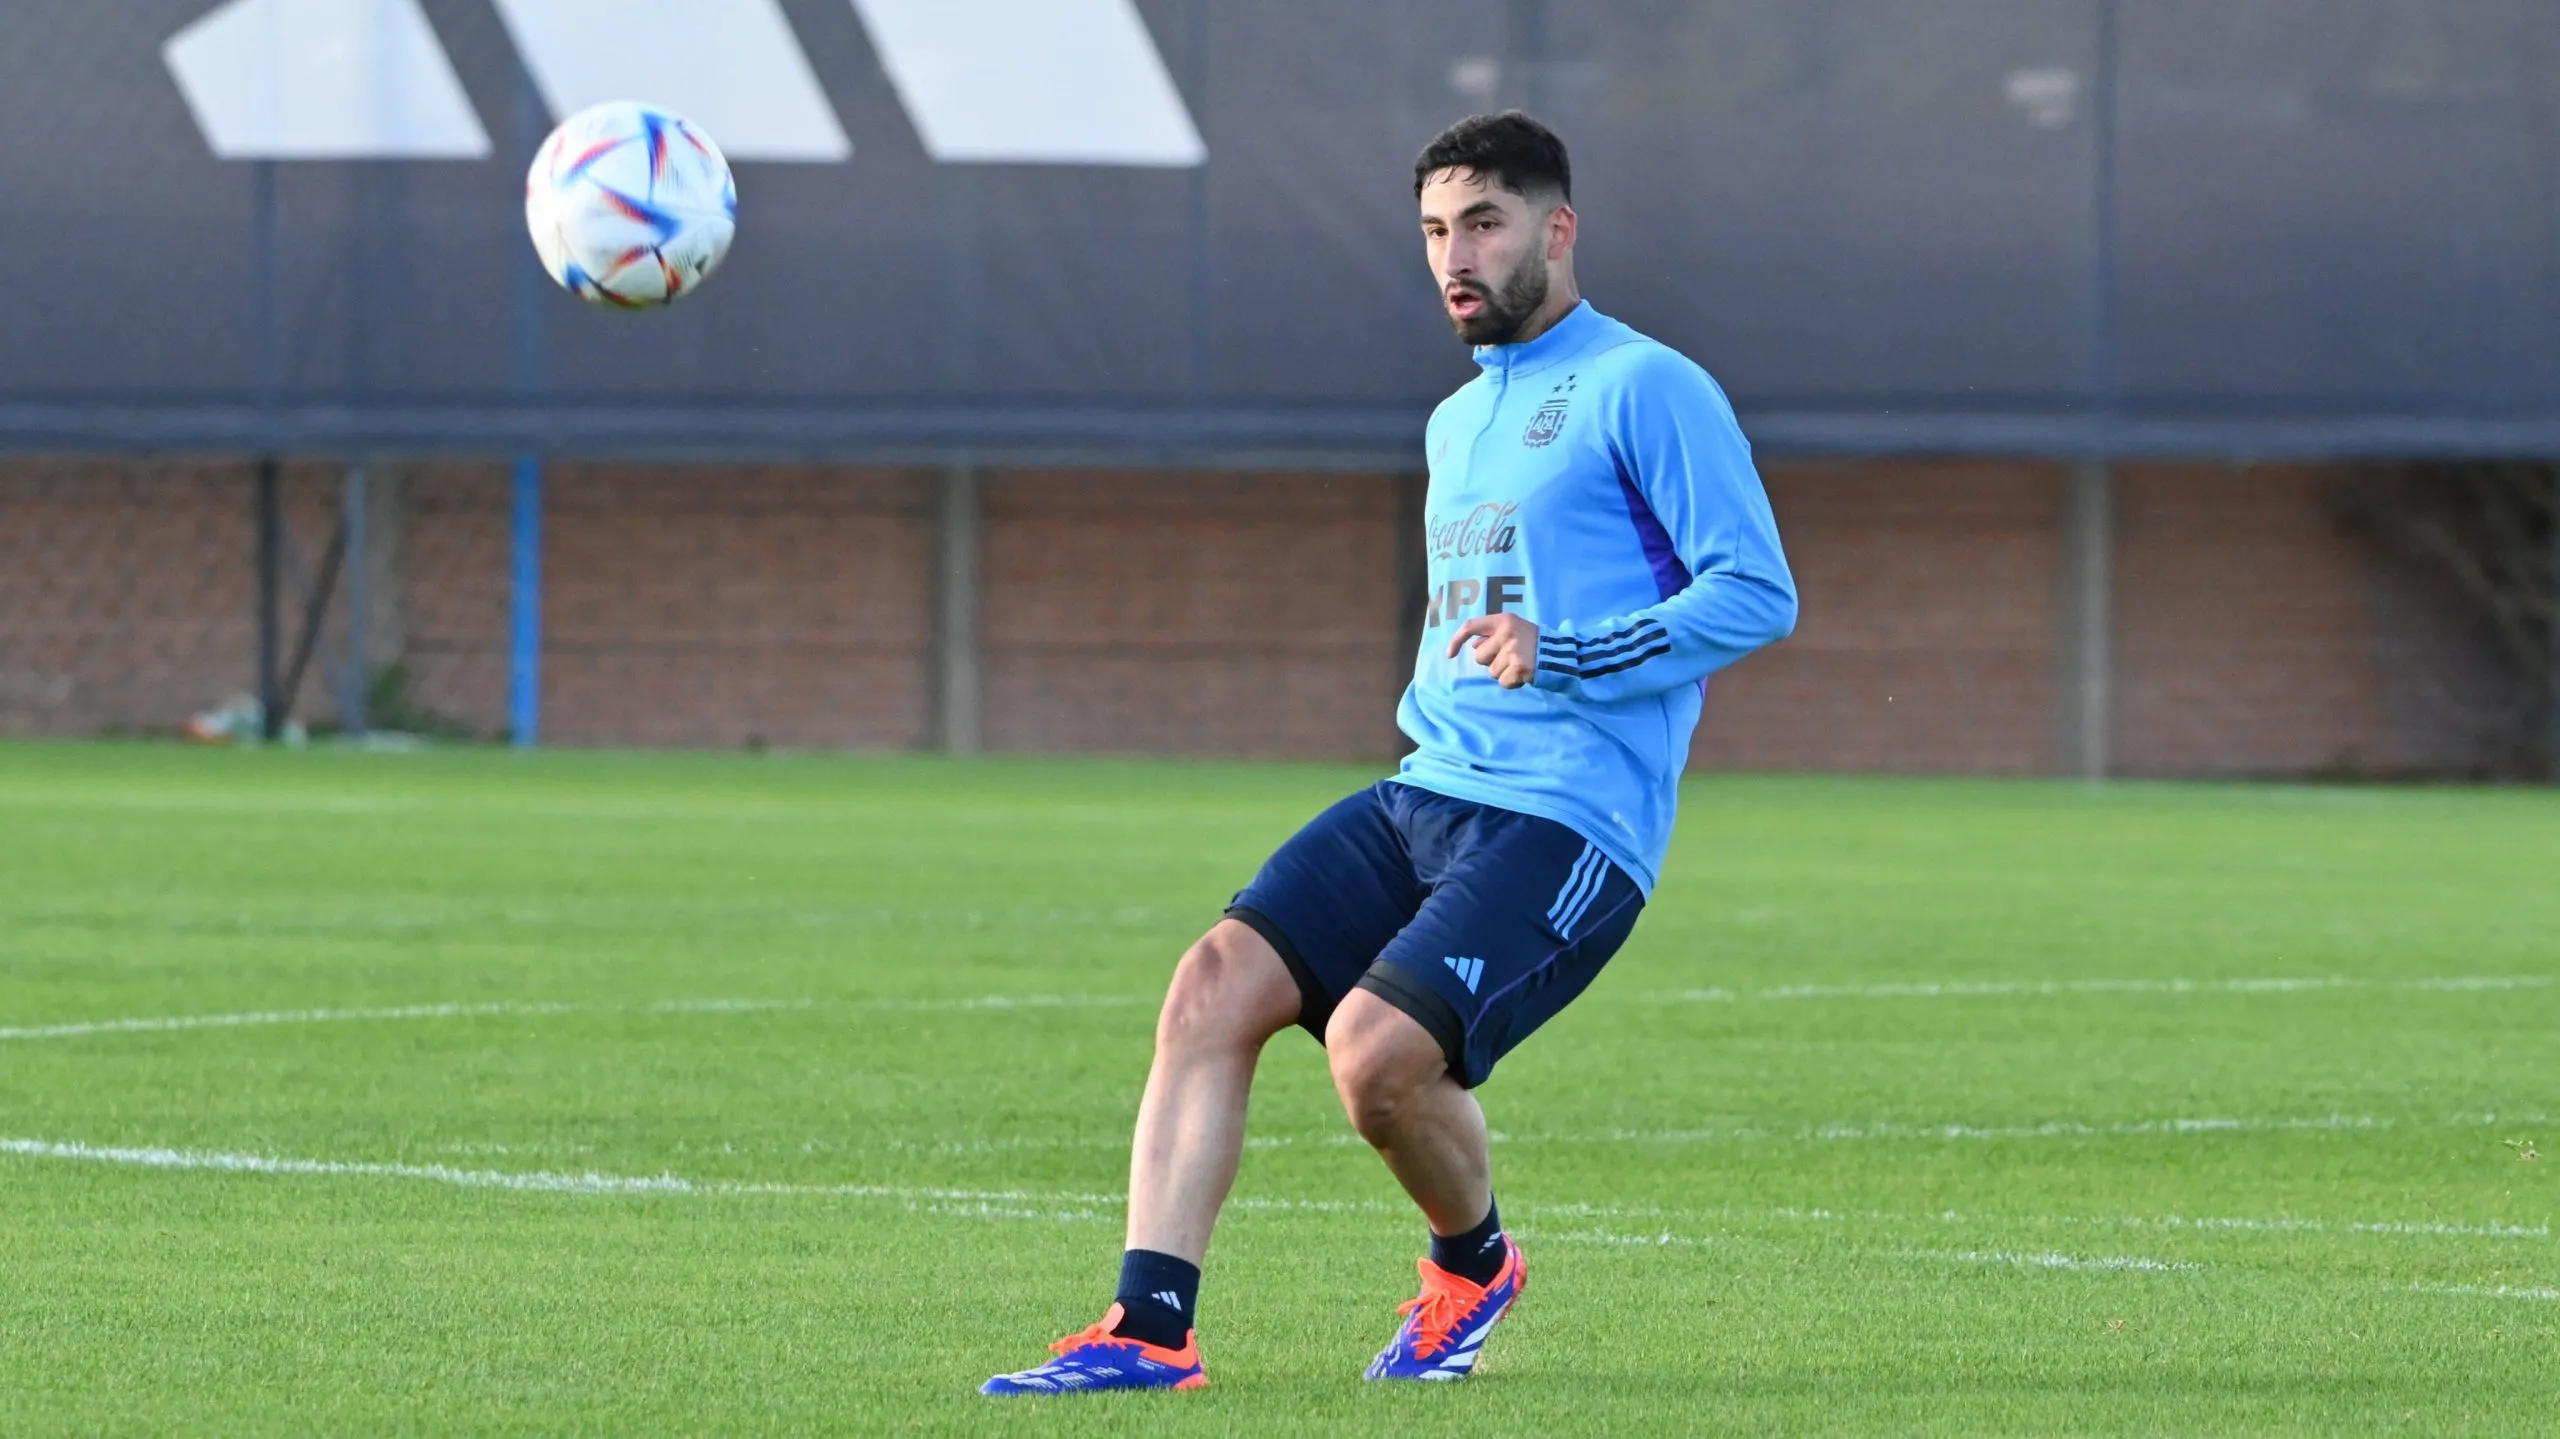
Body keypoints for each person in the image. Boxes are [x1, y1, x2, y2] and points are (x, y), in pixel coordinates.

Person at [982, 110, 1798, 1395]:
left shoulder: (1648, 386)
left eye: (1482, 223)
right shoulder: (1454, 421)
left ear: (1556, 227)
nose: (1452, 256)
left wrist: (1571, 650)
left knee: (1371, 1059)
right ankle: (1148, 1331)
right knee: (1209, 987)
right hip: (1428, 788)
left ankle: (1471, 1264)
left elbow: (1755, 591)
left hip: (1569, 817)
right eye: (1432, 230)